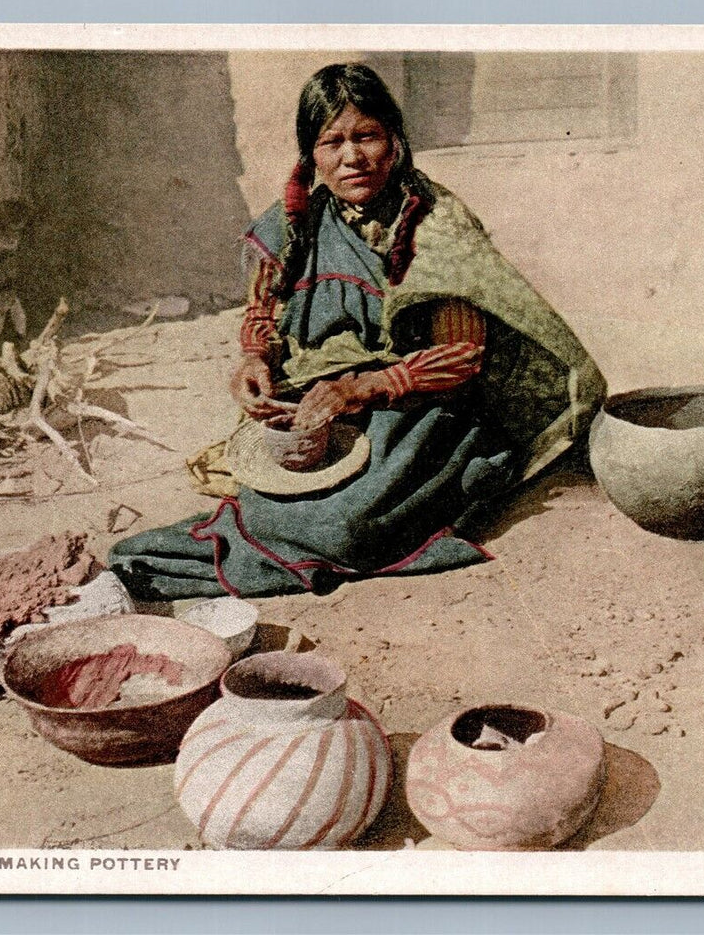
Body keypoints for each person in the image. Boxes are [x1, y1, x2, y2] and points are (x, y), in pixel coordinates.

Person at [108, 63, 606, 600]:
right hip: (325, 396)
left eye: (367, 136)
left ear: (394, 140)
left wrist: (361, 388)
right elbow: (264, 312)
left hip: (420, 404)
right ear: (312, 153)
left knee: (346, 526)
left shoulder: (432, 224)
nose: (352, 157)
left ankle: (204, 561)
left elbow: (460, 356)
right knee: (281, 488)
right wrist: (255, 359)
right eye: (333, 141)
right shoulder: (297, 222)